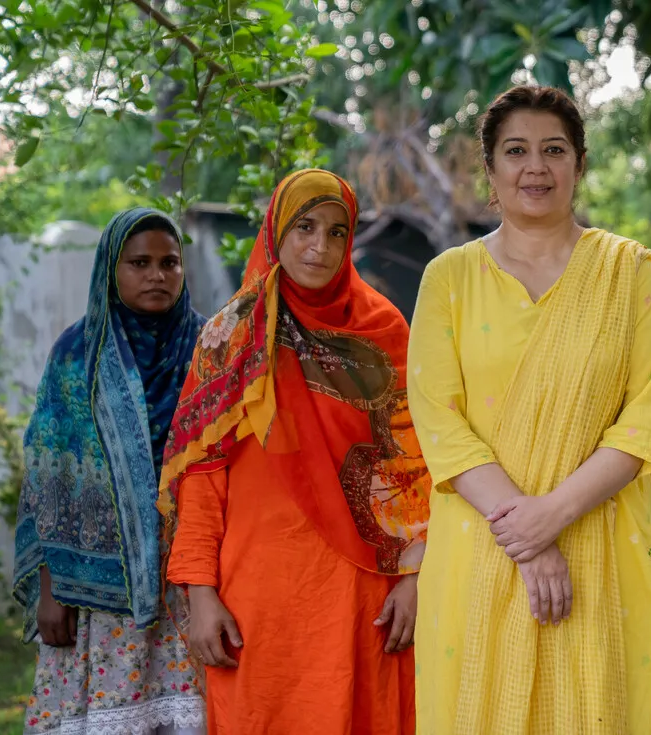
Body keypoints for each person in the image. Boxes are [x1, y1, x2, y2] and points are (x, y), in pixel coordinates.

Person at [406, 85, 651, 734]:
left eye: (554, 150)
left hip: (599, 545)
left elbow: (645, 416)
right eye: (516, 151)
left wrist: (551, 516)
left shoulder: (629, 273)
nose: (536, 167)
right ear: (491, 173)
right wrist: (527, 541)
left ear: (579, 165)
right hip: (482, 550)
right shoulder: (448, 278)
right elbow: (440, 422)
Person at [158, 169, 431, 734]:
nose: (320, 245)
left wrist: (415, 577)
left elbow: (412, 464)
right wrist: (201, 593)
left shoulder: (385, 329)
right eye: (305, 226)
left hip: (363, 592)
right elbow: (202, 475)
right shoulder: (232, 335)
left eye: (337, 231)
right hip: (258, 590)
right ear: (276, 230)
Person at [13, 208, 206, 734]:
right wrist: (51, 587)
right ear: (110, 270)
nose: (157, 275)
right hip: (98, 594)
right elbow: (48, 480)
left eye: (170, 262)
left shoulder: (210, 350)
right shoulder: (78, 357)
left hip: (193, 579)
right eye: (139, 262)